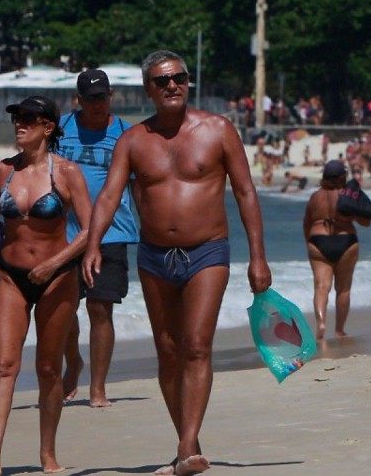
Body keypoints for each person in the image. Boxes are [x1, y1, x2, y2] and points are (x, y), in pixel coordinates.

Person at [81, 50, 272, 476]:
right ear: (148, 88)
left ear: (188, 82)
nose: (172, 86)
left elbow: (245, 192)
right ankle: (189, 442)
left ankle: (186, 447)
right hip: (153, 256)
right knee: (167, 353)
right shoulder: (133, 141)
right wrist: (93, 244)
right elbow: (110, 195)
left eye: (179, 78)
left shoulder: (218, 130)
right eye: (162, 80)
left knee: (197, 346)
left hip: (208, 251)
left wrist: (258, 256)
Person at [0, 95, 93, 476]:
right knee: (4, 366)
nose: (19, 123)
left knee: (49, 368)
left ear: (47, 127)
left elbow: (89, 230)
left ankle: (48, 455)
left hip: (57, 279)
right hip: (10, 277)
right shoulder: (4, 171)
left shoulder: (66, 173)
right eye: (17, 118)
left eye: (28, 119)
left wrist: (53, 264)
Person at [60, 69, 139, 408]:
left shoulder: (125, 134)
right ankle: (73, 361)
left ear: (112, 97)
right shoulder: (60, 129)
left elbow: (138, 187)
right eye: (90, 99)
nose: (97, 104)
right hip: (63, 236)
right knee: (62, 311)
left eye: (102, 98)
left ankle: (98, 387)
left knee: (100, 307)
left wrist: (151, 231)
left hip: (112, 233)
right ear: (78, 100)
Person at [303, 160, 371, 339]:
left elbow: (307, 223)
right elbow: (366, 222)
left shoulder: (315, 197)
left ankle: (321, 323)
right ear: (343, 176)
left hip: (318, 240)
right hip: (346, 239)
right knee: (343, 289)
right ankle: (339, 330)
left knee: (321, 286)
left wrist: (310, 244)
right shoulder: (347, 195)